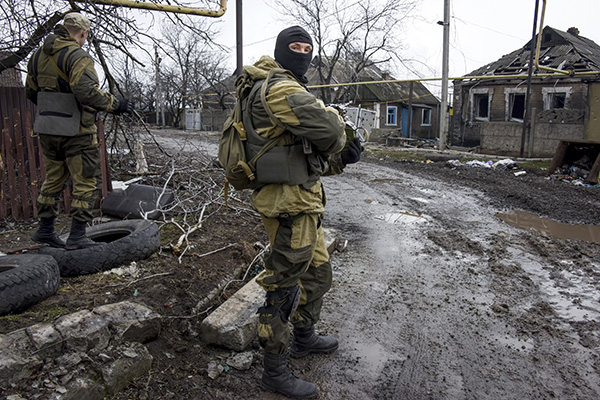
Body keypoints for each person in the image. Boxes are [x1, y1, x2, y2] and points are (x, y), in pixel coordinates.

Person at [234, 26, 362, 399]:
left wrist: (342, 156)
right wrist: (341, 130)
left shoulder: (283, 86)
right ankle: (274, 371)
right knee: (284, 286)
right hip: (288, 203)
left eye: (308, 47)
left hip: (301, 198)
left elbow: (304, 152)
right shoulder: (280, 87)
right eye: (295, 47)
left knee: (318, 273)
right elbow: (327, 130)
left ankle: (304, 337)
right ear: (281, 50)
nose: (302, 52)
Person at [25, 12, 133, 250]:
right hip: (77, 132)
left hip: (48, 129)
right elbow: (86, 91)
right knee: (86, 181)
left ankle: (45, 230)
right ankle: (77, 236)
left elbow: (31, 93)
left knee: (53, 179)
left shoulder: (36, 57)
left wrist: (54, 111)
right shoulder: (78, 56)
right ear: (83, 33)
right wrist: (116, 105)